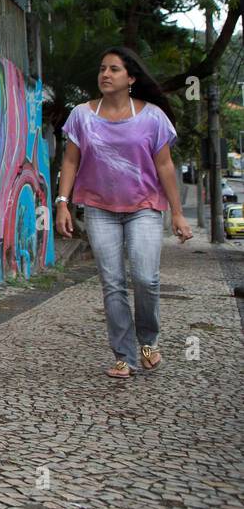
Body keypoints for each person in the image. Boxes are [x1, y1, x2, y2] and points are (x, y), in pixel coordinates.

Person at [55, 47, 191, 379]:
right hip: (100, 209)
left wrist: (177, 213)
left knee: (146, 278)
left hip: (144, 208)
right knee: (112, 283)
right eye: (102, 68)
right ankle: (124, 356)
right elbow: (71, 161)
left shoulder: (152, 117)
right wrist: (62, 202)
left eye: (114, 69)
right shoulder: (82, 116)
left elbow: (165, 165)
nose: (105, 74)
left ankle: (149, 342)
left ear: (130, 78)